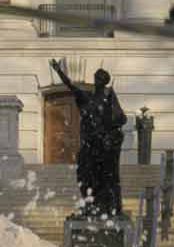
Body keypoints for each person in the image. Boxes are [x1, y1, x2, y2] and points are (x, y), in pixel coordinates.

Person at [49, 59, 126, 217]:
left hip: (103, 147)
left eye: (99, 79)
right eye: (95, 78)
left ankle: (103, 206)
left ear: (104, 82)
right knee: (83, 174)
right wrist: (58, 71)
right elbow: (70, 85)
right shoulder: (87, 97)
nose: (96, 81)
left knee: (103, 177)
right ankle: (90, 203)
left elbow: (121, 119)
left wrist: (109, 131)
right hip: (89, 145)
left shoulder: (109, 98)